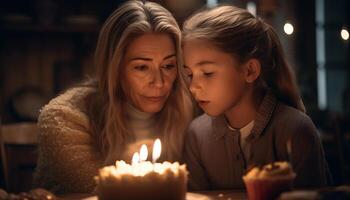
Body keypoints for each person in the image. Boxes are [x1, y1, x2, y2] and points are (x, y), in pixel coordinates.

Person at [34, 0, 193, 194]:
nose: (159, 82)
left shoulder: (190, 106)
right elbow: (103, 194)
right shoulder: (64, 118)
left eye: (168, 66)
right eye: (142, 67)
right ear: (114, 68)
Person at [182, 5, 330, 190]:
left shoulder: (295, 130)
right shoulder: (197, 135)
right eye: (189, 74)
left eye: (208, 72)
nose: (193, 86)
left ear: (250, 70)